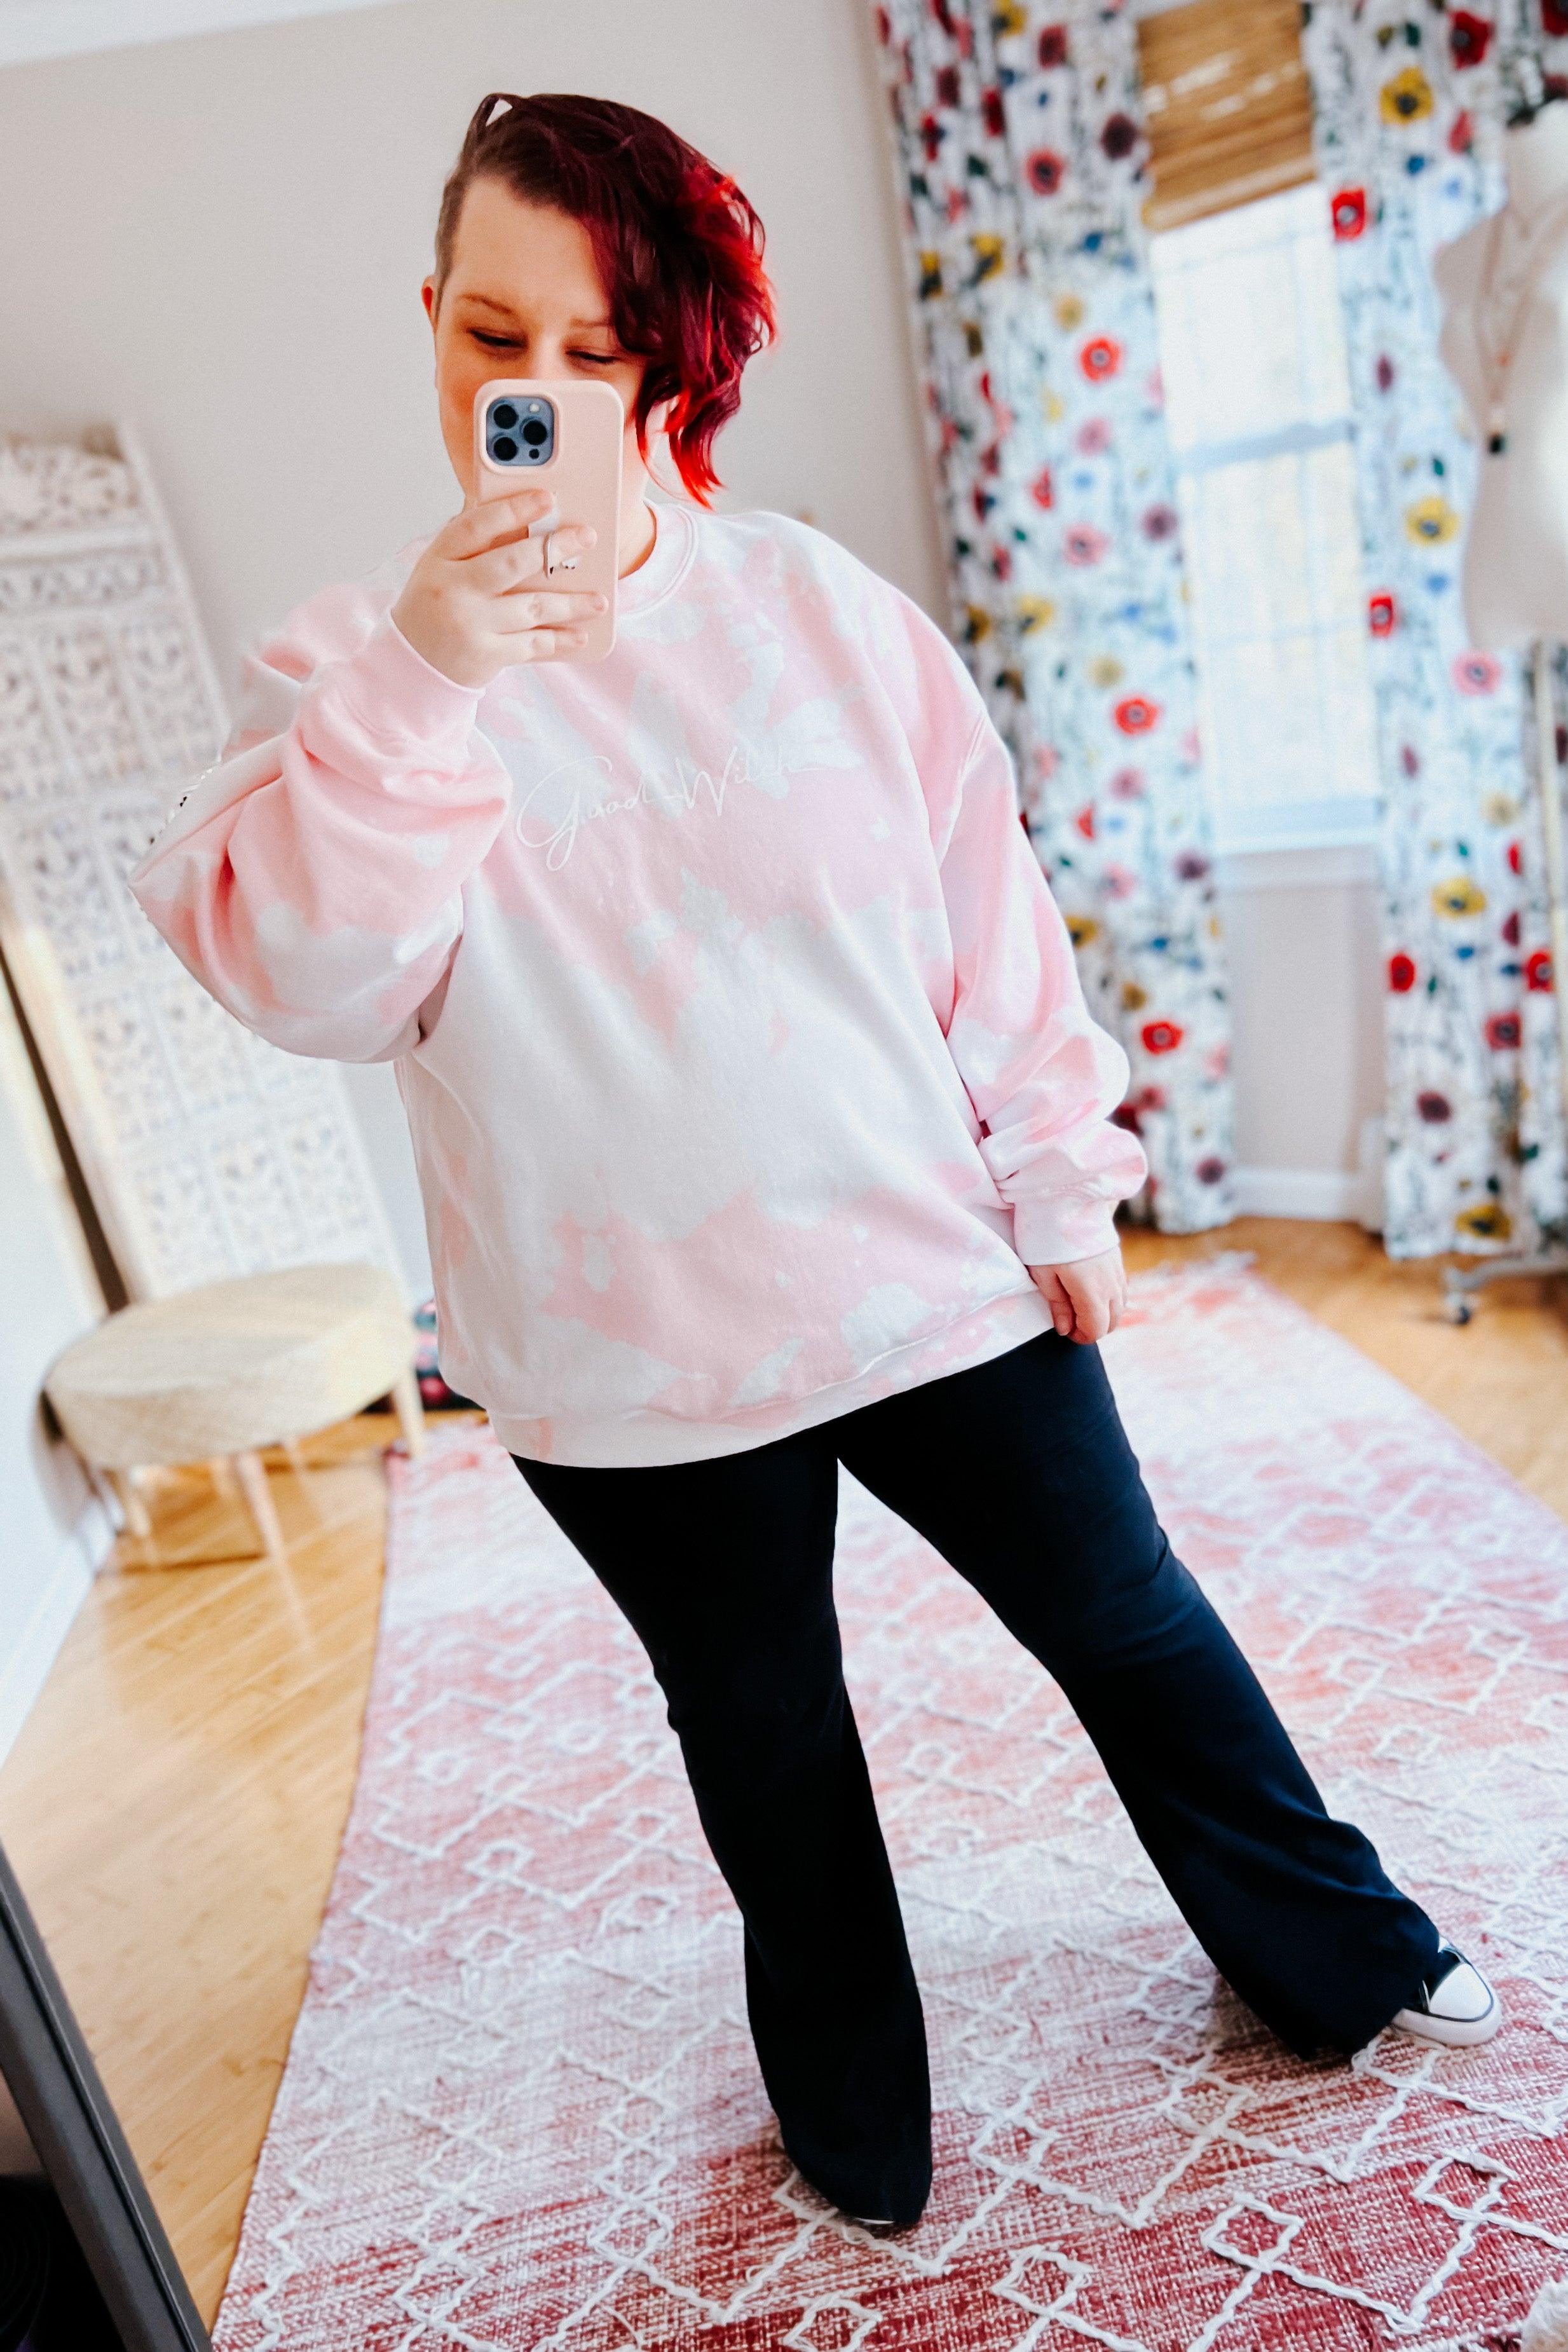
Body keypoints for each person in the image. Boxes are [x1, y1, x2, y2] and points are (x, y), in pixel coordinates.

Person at [127, 90, 1501, 2232]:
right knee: (767, 1747)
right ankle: (856, 2119)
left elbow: (987, 911)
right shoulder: (351, 673)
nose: (542, 402)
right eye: (495, 341)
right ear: (427, 322)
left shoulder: (820, 610)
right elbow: (314, 978)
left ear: (676, 354)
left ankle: (1344, 1955)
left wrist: (1062, 1176)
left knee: (1129, 1622)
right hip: (621, 1359)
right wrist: (429, 682)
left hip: (925, 1276)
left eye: (600, 357)